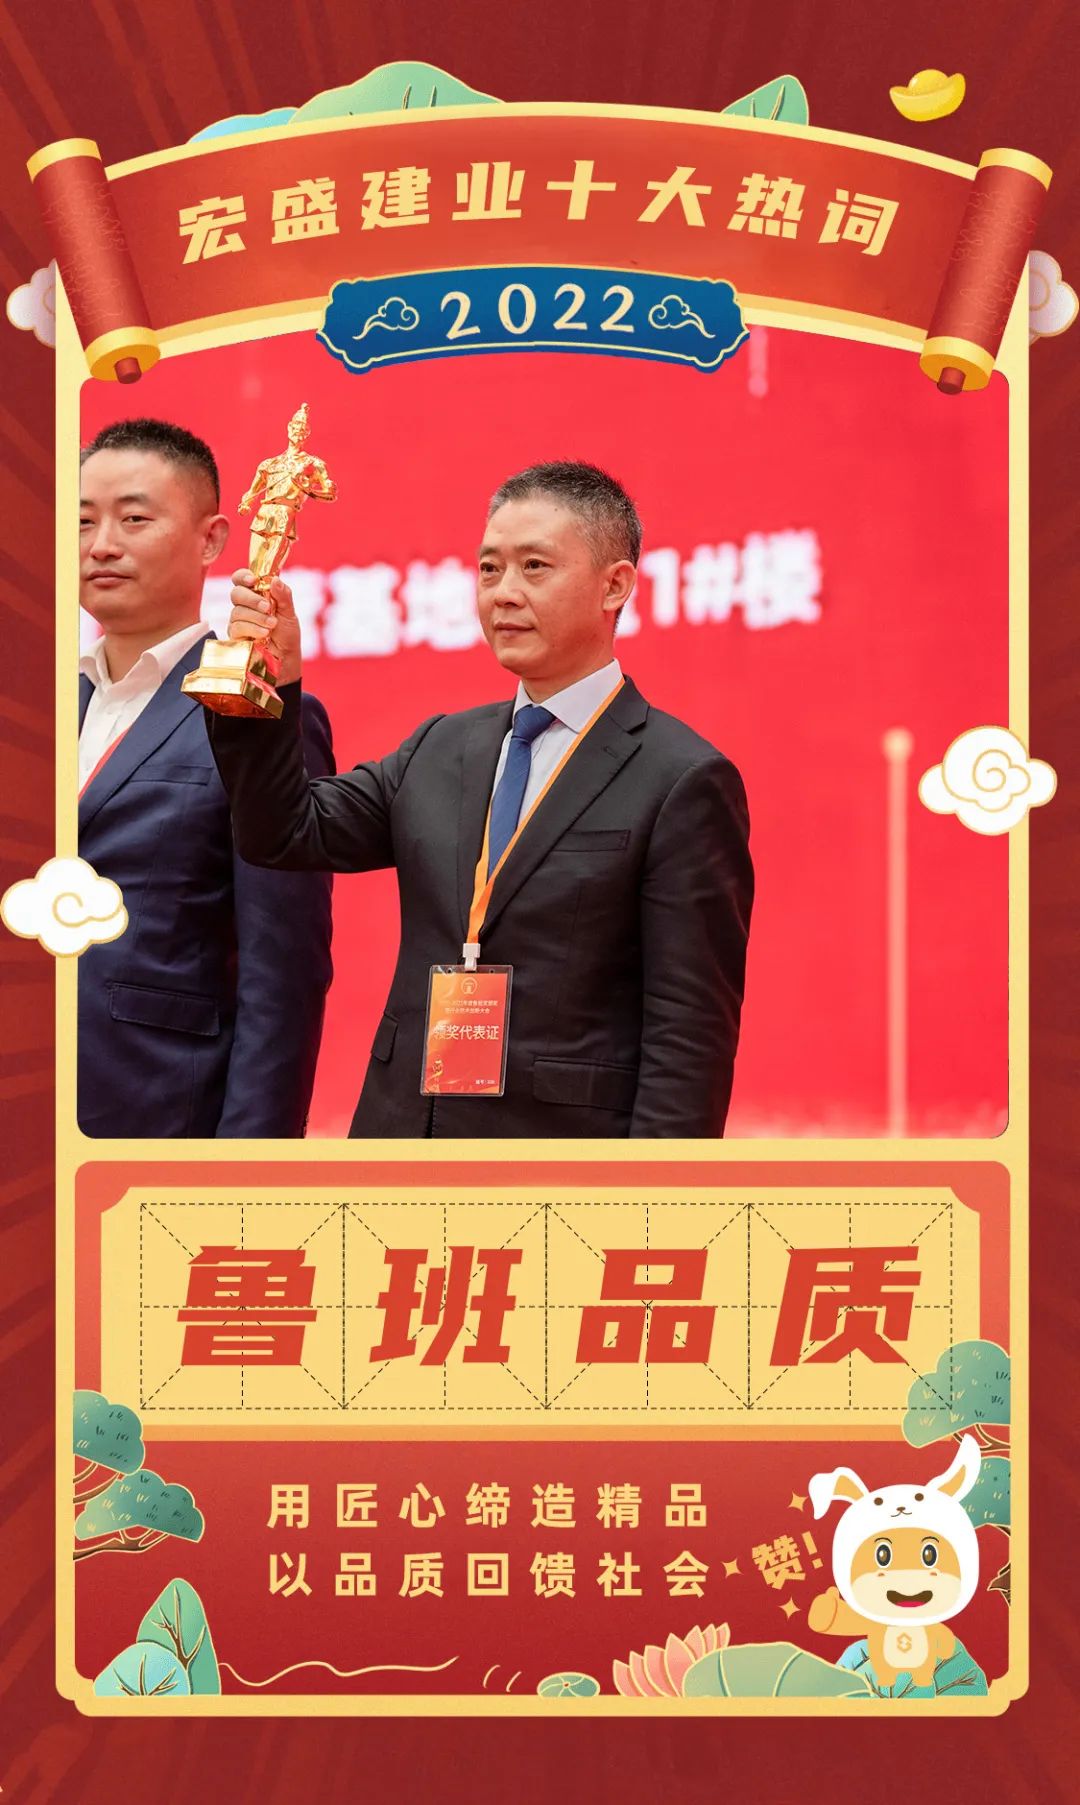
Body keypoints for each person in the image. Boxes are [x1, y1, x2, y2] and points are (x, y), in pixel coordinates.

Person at [208, 460, 753, 1138]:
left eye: (535, 567)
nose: (504, 593)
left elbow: (689, 1037)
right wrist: (272, 681)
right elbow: (284, 831)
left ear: (615, 585)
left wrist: (645, 1193)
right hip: (402, 1140)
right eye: (489, 569)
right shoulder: (442, 747)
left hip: (560, 1164)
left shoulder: (681, 779)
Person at [78, 417, 334, 1137]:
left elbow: (283, 976)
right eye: (83, 521)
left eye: (134, 518)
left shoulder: (257, 712)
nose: (102, 544)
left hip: (154, 1122)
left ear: (213, 539)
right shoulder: (34, 711)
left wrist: (242, 1171)